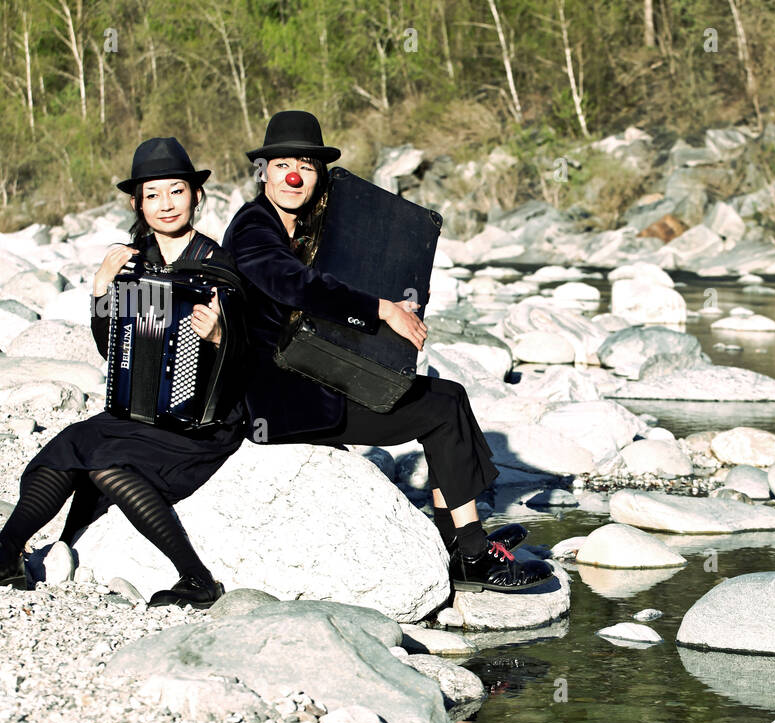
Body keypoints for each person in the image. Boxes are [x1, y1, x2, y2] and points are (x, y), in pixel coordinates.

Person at [224, 110, 550, 593]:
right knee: (440, 408)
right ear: (264, 171)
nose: (295, 176)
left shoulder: (306, 226)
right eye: (283, 165)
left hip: (316, 376)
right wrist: (381, 310)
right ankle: (472, 554)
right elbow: (295, 286)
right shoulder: (254, 229)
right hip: (285, 403)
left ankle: (458, 540)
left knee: (450, 399)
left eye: (307, 167)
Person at [0, 137, 246, 609]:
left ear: (195, 195)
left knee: (109, 465)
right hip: (138, 411)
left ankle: (196, 578)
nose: (166, 204)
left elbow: (246, 359)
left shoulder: (219, 266)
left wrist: (218, 336)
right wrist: (99, 291)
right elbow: (116, 352)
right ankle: (5, 552)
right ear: (137, 203)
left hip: (201, 422)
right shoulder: (133, 263)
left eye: (176, 191)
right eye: (152, 195)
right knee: (65, 446)